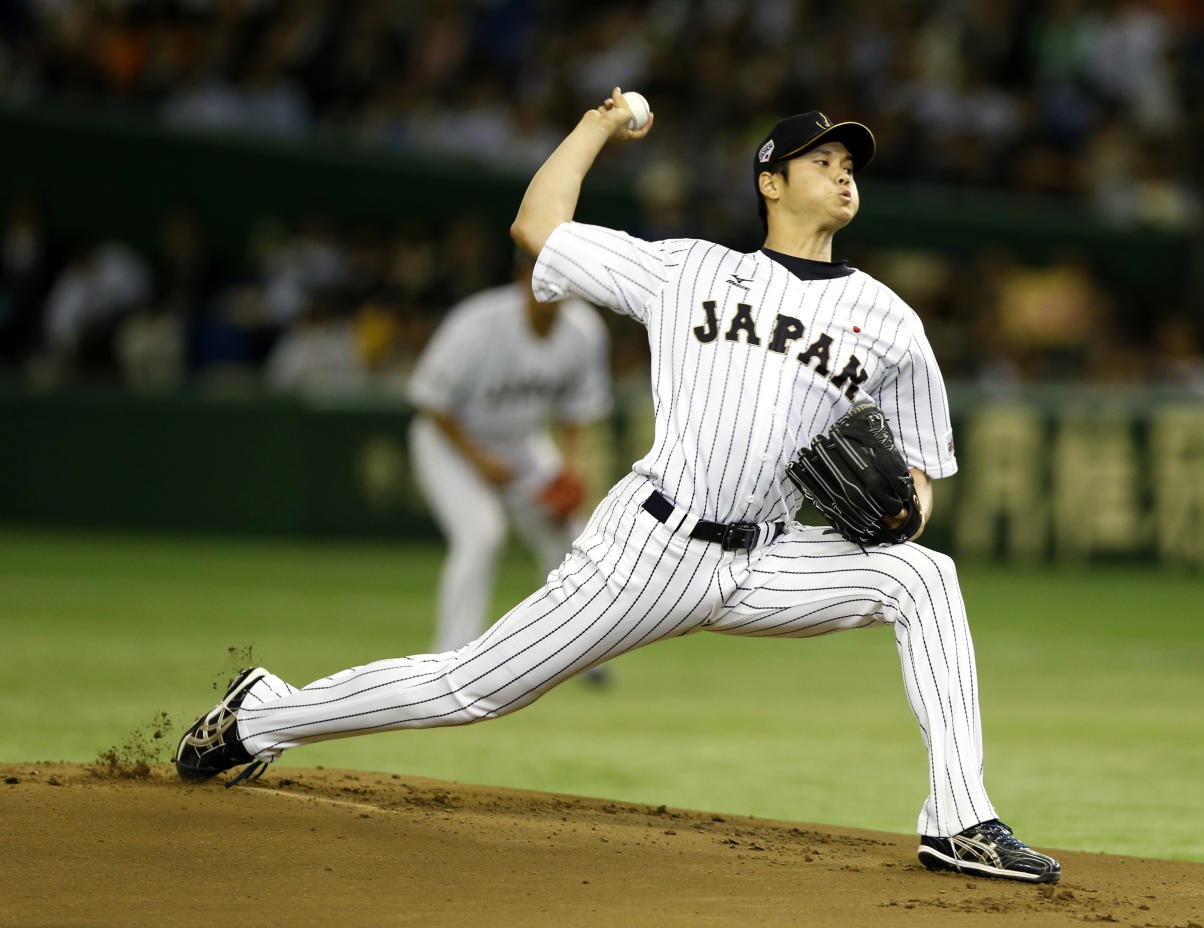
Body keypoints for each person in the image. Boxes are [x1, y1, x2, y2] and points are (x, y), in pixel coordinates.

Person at [175, 89, 1062, 884]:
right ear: (770, 182)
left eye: (848, 165)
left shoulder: (893, 323)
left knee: (924, 576)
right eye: (820, 160)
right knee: (472, 688)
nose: (840, 175)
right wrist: (599, 125)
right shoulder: (689, 270)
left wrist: (904, 512)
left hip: (767, 559)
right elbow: (538, 227)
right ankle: (264, 717)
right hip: (651, 546)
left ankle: (959, 822)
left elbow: (918, 473)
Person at [406, 255, 611, 655]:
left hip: (522, 443)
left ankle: (579, 651)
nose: (553, 288)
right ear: (521, 278)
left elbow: (579, 408)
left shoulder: (584, 331)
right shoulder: (477, 323)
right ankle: (450, 654)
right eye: (541, 275)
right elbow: (428, 399)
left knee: (572, 534)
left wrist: (569, 467)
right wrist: (478, 458)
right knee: (481, 533)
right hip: (449, 442)